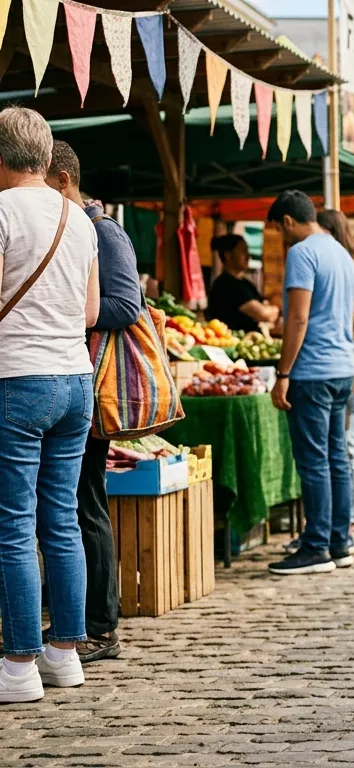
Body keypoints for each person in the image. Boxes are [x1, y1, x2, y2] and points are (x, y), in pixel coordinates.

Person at [0, 107, 101, 701]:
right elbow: (90, 313)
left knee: (12, 527)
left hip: (17, 379)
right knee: (59, 521)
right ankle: (66, 655)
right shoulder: (80, 218)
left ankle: (17, 666)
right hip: (75, 380)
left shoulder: (3, 211)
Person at [46, 140, 141, 666]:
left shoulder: (103, 232)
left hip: (89, 384)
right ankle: (71, 617)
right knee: (65, 507)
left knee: (85, 504)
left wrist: (70, 310)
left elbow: (127, 304)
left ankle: (101, 626)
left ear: (62, 180)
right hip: (65, 376)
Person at [265, 190, 354, 576]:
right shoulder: (340, 252)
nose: (279, 238)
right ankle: (339, 541)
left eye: (277, 230)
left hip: (313, 371)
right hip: (340, 367)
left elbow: (298, 319)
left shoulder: (302, 253)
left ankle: (317, 545)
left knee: (315, 461)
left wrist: (283, 372)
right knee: (336, 457)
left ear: (288, 221)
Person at [317, 210, 354, 528]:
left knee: (346, 444)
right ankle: (349, 510)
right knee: (340, 444)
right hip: (346, 363)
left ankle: (353, 511)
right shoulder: (344, 267)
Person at [207, 234, 279, 332]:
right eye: (243, 251)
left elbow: (264, 304)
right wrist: (275, 309)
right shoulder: (227, 285)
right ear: (228, 255)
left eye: (247, 251)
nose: (248, 256)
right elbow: (264, 314)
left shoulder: (244, 282)